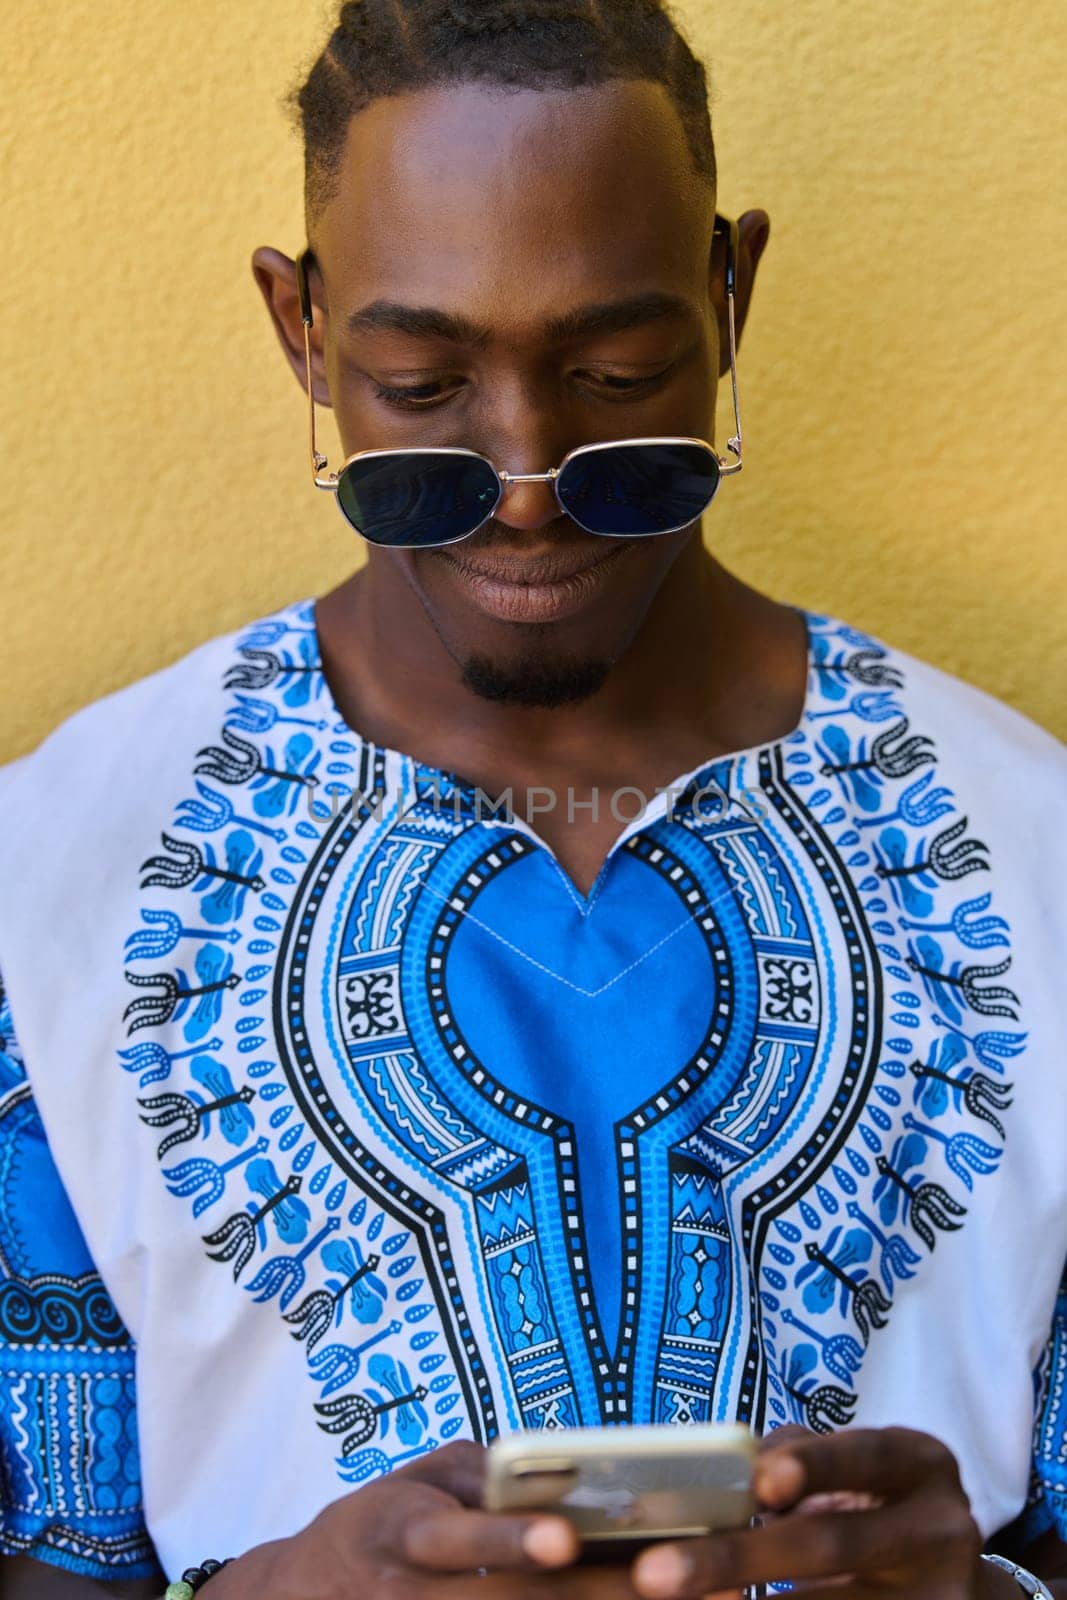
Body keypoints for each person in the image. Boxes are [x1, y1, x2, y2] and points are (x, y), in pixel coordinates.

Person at [1, 2, 1065, 1597]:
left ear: (732, 295)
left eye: (618, 374)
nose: (521, 483)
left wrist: (976, 1591)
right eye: (422, 387)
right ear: (302, 328)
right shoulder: (49, 876)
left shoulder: (1040, 854)